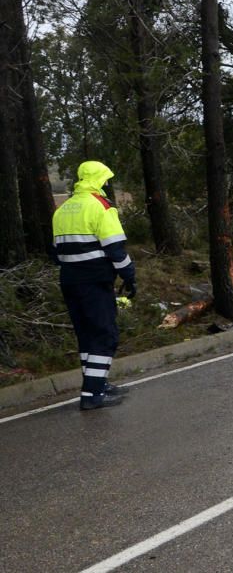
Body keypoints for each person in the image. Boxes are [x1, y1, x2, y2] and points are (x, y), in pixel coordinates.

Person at [52, 161, 136, 410]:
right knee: (104, 334)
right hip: (95, 281)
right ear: (99, 179)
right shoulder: (100, 206)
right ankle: (92, 395)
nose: (108, 184)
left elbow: (56, 253)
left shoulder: (63, 209)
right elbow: (115, 250)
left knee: (87, 335)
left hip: (69, 281)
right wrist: (129, 277)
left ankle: (96, 382)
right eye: (106, 179)